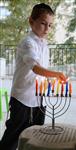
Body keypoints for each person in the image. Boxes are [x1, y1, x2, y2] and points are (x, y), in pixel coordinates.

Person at [0, 3, 66, 150]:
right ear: (31, 21)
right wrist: (57, 75)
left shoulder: (44, 44)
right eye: (43, 23)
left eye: (50, 25)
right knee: (13, 136)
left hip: (39, 99)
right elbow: (35, 68)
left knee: (36, 137)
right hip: (22, 98)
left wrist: (50, 82)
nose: (47, 29)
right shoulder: (27, 43)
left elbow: (43, 70)